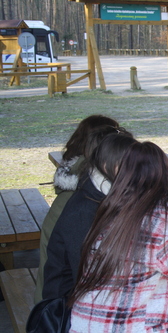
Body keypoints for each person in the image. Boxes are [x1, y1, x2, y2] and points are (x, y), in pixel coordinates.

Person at [69, 141, 168, 333]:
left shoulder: (115, 213)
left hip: (89, 325)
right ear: (167, 178)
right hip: (130, 327)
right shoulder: (163, 222)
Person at [35, 115, 120, 303]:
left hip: (51, 289)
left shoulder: (75, 170)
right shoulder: (85, 202)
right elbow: (86, 274)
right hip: (56, 307)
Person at [43, 132, 136, 301]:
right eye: (129, 164)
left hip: (94, 295)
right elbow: (86, 275)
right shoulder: (84, 210)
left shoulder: (101, 192)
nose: (136, 171)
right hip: (68, 306)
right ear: (107, 164)